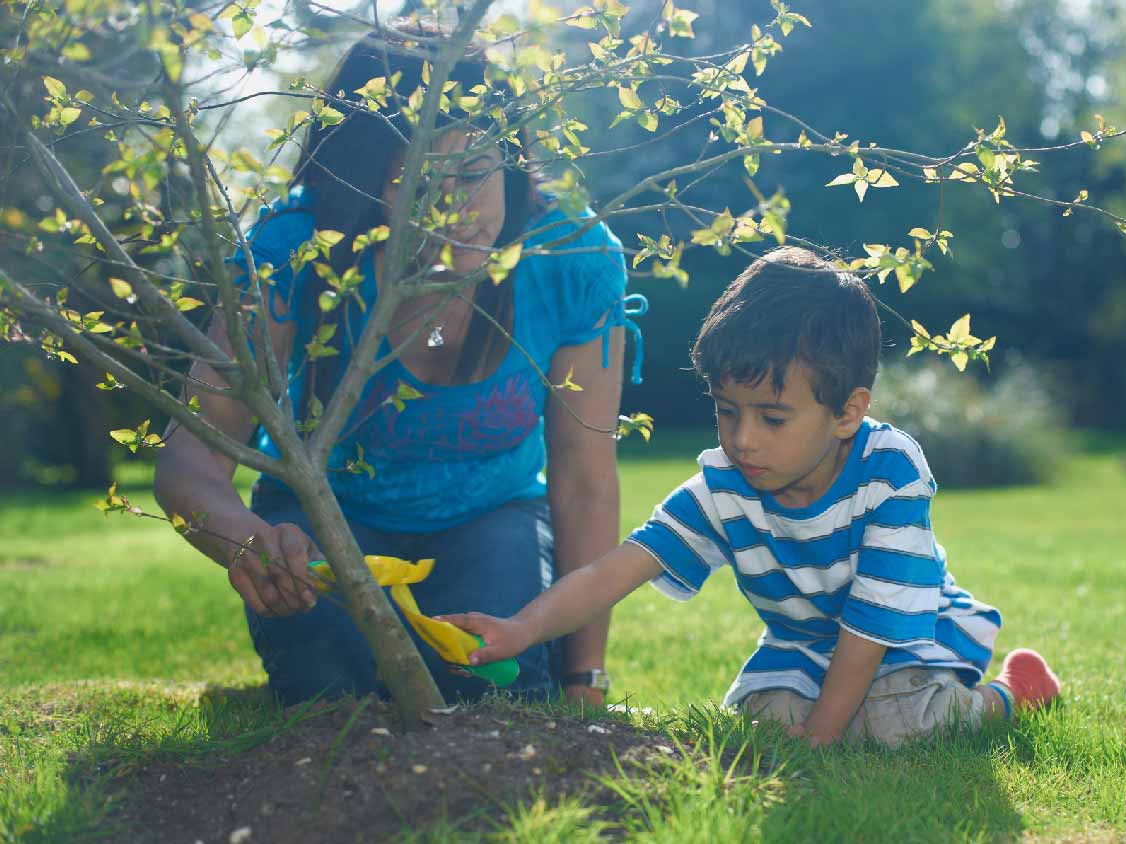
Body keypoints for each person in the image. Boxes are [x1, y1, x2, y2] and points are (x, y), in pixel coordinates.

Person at [154, 25, 639, 707]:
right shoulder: (294, 251)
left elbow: (586, 481)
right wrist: (250, 544)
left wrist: (584, 678)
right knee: (332, 695)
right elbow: (188, 464)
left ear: (509, 156)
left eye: (475, 174)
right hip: (328, 519)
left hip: (492, 515)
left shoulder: (573, 257)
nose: (458, 213)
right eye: (421, 185)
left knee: (498, 693)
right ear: (362, 188)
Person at [443, 246, 1059, 747]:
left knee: (889, 725)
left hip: (900, 642)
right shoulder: (725, 487)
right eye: (726, 411)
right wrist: (520, 630)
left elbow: (872, 625)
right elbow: (615, 571)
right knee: (763, 729)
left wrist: (823, 734)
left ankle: (1009, 694)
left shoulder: (889, 473)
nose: (743, 440)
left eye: (772, 418)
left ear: (847, 413)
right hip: (801, 651)